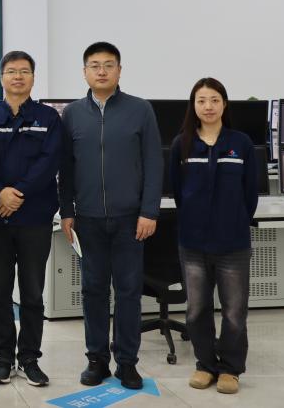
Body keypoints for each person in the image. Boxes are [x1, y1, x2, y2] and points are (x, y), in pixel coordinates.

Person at [58, 41, 162, 391]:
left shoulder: (140, 110)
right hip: (87, 219)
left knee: (129, 292)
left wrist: (149, 211)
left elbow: (154, 163)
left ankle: (127, 363)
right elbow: (66, 168)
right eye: (94, 65)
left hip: (130, 219)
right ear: (84, 71)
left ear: (119, 70)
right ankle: (97, 359)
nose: (101, 71)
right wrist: (67, 210)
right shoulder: (72, 114)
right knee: (93, 291)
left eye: (108, 65)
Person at [170, 78, 259, 395]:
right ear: (193, 105)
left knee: (234, 311)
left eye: (214, 100)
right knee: (196, 309)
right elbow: (179, 192)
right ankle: (205, 365)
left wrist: (234, 220)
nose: (208, 106)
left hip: (232, 243)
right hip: (193, 243)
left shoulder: (241, 144)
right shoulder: (182, 144)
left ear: (224, 104)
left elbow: (250, 193)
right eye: (201, 100)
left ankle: (231, 369)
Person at [0, 51, 62, 387]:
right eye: (11, 71)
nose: (18, 77)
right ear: (1, 77)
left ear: (33, 77)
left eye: (24, 71)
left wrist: (18, 194)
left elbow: (49, 161)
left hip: (35, 217)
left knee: (32, 292)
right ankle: (3, 358)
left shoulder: (48, 118)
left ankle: (29, 358)